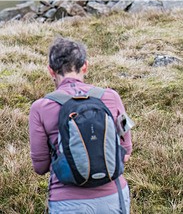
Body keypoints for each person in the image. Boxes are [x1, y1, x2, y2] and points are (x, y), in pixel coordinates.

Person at [29, 37, 133, 213]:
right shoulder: (111, 97)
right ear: (85, 66)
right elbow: (126, 153)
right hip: (114, 198)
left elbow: (40, 167)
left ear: (51, 71)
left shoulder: (40, 108)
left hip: (67, 202)